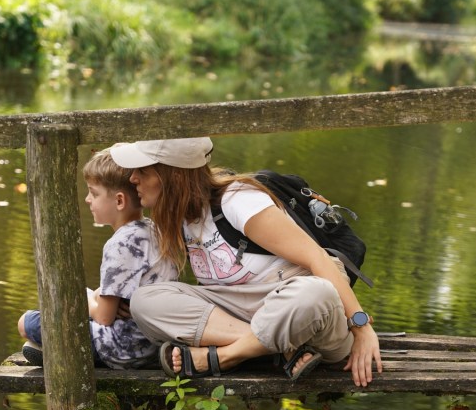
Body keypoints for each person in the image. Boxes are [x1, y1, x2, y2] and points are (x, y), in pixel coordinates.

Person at [108, 137, 382, 387]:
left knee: (314, 293)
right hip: (243, 311)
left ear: (175, 175)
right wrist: (108, 296)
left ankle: (225, 356)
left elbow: (317, 258)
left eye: (142, 171)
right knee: (145, 300)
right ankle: (280, 349)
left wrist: (362, 328)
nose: (133, 179)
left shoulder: (238, 200)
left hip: (303, 313)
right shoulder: (180, 216)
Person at [17, 146, 178, 369]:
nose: (87, 199)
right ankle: (49, 351)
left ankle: (61, 354)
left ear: (119, 201)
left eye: (94, 193)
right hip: (153, 345)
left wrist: (86, 300)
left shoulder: (120, 244)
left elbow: (103, 317)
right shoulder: (154, 230)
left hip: (123, 348)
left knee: (27, 322)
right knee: (81, 304)